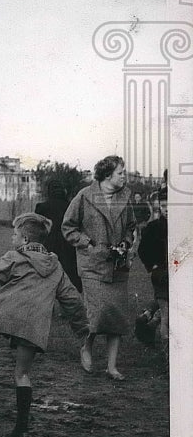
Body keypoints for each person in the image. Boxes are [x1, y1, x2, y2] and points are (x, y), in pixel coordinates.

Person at [0, 213, 88, 437]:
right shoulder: (55, 266)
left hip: (4, 315)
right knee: (22, 374)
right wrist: (83, 333)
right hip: (33, 325)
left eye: (15, 234)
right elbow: (72, 300)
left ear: (25, 239)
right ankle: (21, 428)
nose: (12, 238)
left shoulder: (14, 257)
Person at [61, 155, 136, 381]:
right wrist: (88, 244)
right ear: (107, 175)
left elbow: (131, 227)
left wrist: (126, 243)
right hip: (92, 265)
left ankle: (112, 367)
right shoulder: (84, 196)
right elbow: (68, 227)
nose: (124, 176)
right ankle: (87, 347)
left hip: (118, 265)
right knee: (96, 313)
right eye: (120, 172)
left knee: (117, 316)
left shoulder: (126, 197)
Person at [35, 181, 81, 292]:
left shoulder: (42, 207)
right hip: (68, 245)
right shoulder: (71, 206)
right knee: (70, 276)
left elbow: (36, 230)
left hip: (48, 245)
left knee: (48, 276)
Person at [137, 189, 168, 347]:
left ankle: (149, 320)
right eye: (164, 206)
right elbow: (142, 250)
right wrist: (153, 266)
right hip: (161, 276)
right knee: (167, 314)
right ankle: (168, 355)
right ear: (160, 207)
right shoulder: (154, 227)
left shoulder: (184, 225)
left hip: (179, 275)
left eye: (170, 206)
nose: (167, 209)